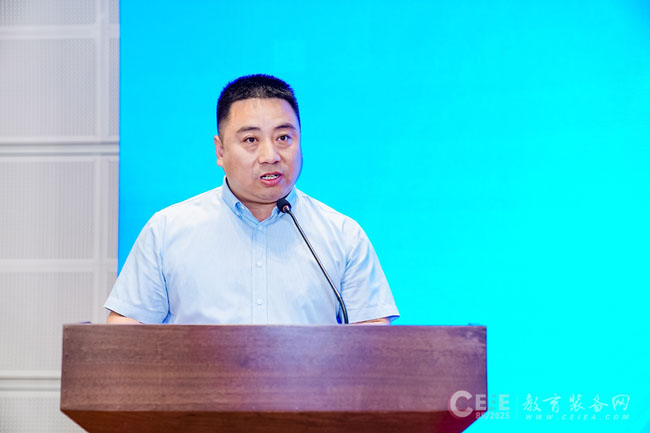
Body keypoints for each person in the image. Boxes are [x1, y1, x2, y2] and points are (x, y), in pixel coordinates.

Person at [105, 74, 399, 325]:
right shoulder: (167, 230)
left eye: (283, 138)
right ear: (220, 151)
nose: (270, 156)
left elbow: (374, 345)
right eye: (251, 140)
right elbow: (125, 333)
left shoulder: (343, 235)